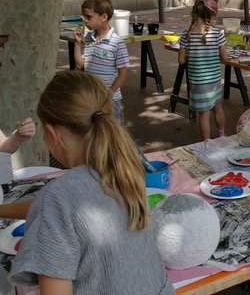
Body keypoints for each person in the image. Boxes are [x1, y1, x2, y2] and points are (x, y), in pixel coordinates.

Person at [9, 70, 174, 294]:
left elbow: (57, 207)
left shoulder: (57, 199)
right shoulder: (124, 170)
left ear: (52, 133)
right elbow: (61, 208)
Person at [179, 0, 229, 142]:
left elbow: (181, 60)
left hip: (197, 82)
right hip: (213, 80)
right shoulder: (217, 34)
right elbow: (225, 58)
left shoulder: (186, 35)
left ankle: (207, 143)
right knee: (217, 107)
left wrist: (194, 56)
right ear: (210, 16)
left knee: (204, 114)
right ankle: (221, 136)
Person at [73, 0, 129, 123]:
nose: (85, 20)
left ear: (104, 17)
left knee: (111, 130)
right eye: (84, 16)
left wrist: (110, 93)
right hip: (91, 96)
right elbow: (80, 64)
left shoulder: (116, 42)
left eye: (89, 17)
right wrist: (77, 43)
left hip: (110, 99)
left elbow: (123, 73)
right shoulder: (88, 38)